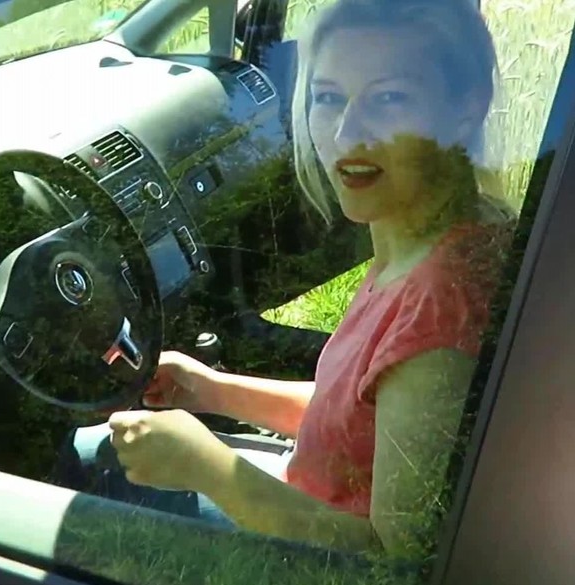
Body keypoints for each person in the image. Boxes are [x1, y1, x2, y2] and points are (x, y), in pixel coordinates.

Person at [55, 0, 513, 559]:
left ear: (465, 108)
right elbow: (358, 421)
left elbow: (393, 558)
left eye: (389, 99)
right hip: (308, 502)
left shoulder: (442, 306)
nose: (347, 132)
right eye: (328, 97)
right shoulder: (423, 236)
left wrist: (210, 468)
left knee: (75, 467)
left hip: (307, 553)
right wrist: (210, 389)